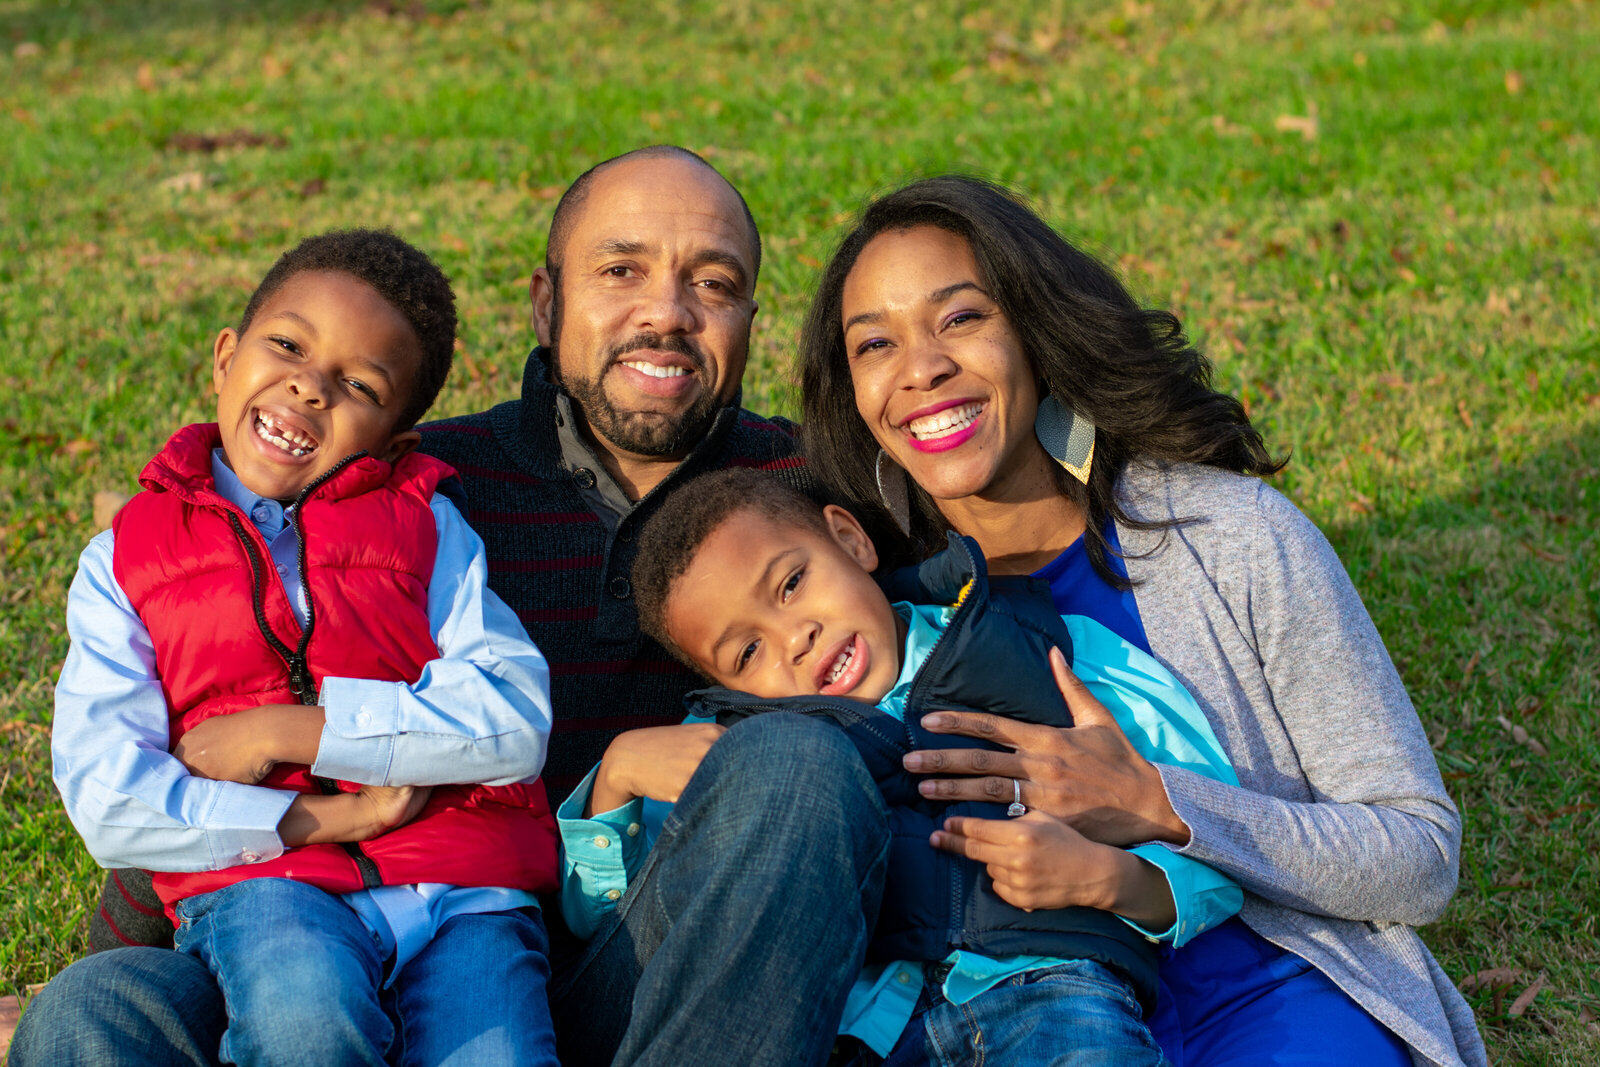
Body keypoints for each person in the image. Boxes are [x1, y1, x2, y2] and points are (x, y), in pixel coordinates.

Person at [13, 149, 876, 1067]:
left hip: (650, 979)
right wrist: (111, 947)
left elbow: (946, 649)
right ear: (545, 304)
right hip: (331, 933)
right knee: (93, 1009)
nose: (666, 312)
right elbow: (223, 666)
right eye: (620, 270)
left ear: (750, 317)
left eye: (714, 282)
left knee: (792, 764)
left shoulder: (807, 498)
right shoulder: (414, 493)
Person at [797, 176, 1486, 1067]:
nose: (920, 366)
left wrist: (1161, 803)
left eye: (960, 319)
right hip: (1023, 1028)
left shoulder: (1230, 537)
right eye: (875, 343)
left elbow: (1418, 854)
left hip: (1274, 991)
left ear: (1035, 333)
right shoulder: (870, 615)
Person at [43, 230, 562, 1067]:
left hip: (462, 888)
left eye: (358, 384)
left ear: (394, 443)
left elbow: (511, 721)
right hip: (267, 886)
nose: (309, 385)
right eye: (287, 344)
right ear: (224, 358)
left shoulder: (430, 529)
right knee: (306, 1026)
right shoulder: (128, 558)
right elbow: (110, 796)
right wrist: (317, 817)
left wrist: (291, 732)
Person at [603, 465, 1242, 1065]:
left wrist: (1108, 878)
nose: (794, 638)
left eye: (792, 584)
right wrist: (615, 779)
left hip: (1055, 1001)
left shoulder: (1040, 646)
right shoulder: (729, 755)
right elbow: (623, 939)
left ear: (851, 542)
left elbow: (1221, 836)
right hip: (846, 1032)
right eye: (747, 652)